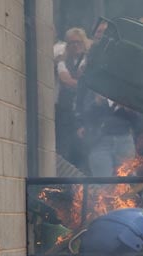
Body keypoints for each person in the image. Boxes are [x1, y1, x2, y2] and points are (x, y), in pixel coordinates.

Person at [56, 27, 90, 169]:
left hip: (85, 112)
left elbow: (86, 84)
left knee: (84, 150)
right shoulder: (62, 61)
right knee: (64, 148)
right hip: (65, 111)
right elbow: (66, 80)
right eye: (71, 43)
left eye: (78, 42)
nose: (75, 45)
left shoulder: (89, 60)